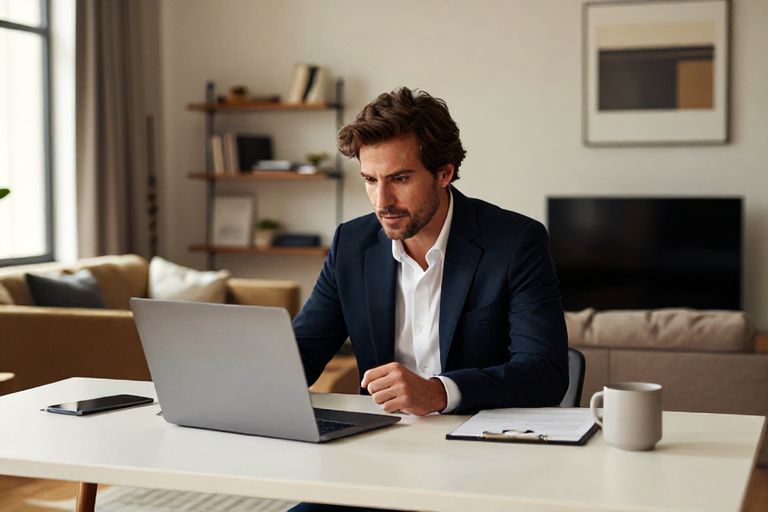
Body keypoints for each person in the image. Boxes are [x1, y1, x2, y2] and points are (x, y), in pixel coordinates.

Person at [290, 88, 568, 508]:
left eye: (399, 179)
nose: (382, 202)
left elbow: (545, 373)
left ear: (444, 172)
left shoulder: (515, 242)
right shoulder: (352, 243)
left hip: (484, 463)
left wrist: (440, 392)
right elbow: (302, 353)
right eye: (370, 180)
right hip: (377, 462)